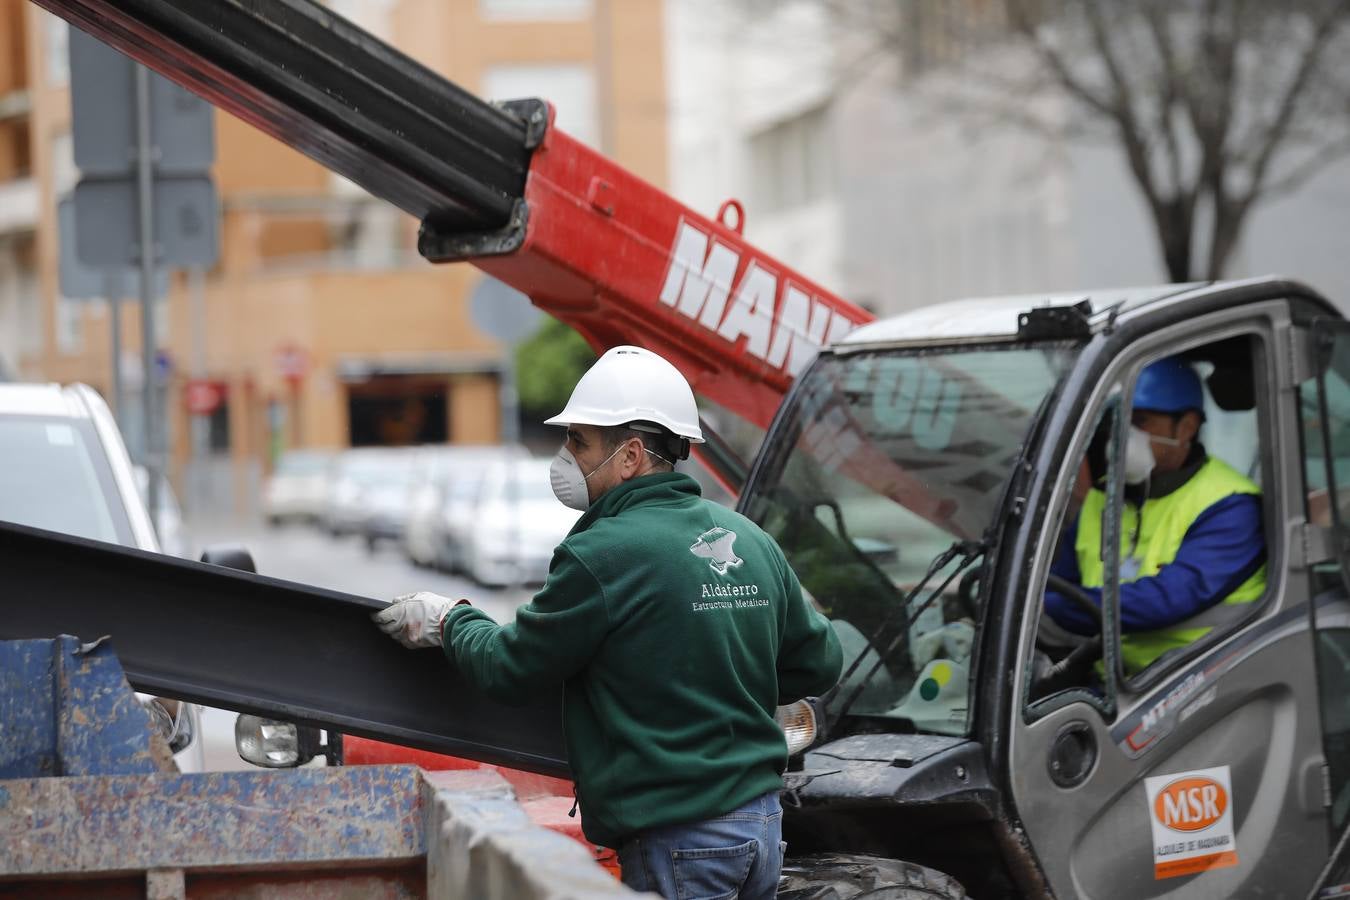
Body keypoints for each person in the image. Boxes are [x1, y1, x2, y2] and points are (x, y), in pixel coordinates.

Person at [372, 345, 843, 900]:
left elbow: (510, 667)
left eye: (579, 440)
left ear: (630, 456)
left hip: (679, 836)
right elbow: (821, 662)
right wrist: (730, 673)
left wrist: (450, 619)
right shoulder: (749, 538)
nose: (565, 457)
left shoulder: (602, 553)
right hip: (761, 827)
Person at [1045, 356, 1266, 674]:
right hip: (1114, 685)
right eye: (1118, 420)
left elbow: (1165, 601)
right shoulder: (1102, 498)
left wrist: (1048, 607)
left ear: (1186, 428)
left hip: (1197, 683)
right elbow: (1057, 582)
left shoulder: (1231, 505)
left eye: (1141, 421)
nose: (1123, 435)